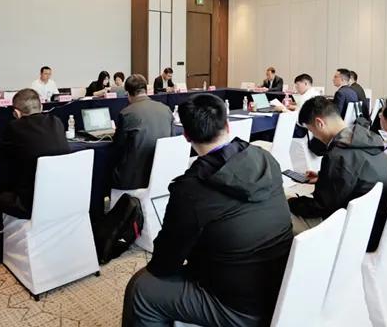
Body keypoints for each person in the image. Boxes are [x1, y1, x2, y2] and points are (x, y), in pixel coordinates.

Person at [122, 94, 293, 327]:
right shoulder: (263, 157)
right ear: (228, 125)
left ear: (186, 135)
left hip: (240, 308)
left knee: (142, 288)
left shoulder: (191, 189)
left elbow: (164, 264)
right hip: (283, 286)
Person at [287, 96, 387, 252]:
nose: (314, 136)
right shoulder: (368, 138)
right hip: (376, 224)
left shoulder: (337, 155)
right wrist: (324, 176)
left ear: (320, 123)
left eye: (311, 131)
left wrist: (291, 202)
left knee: (279, 215)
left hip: (353, 233)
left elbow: (321, 206)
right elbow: (353, 174)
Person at [0, 88, 70, 219]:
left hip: (30, 203)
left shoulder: (14, 127)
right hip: (63, 196)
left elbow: (2, 155)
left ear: (16, 113)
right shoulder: (56, 121)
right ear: (41, 107)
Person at [112, 75, 173, 190]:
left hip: (133, 179)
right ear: (145, 89)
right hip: (160, 175)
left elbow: (118, 146)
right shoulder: (166, 109)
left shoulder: (126, 113)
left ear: (128, 94)